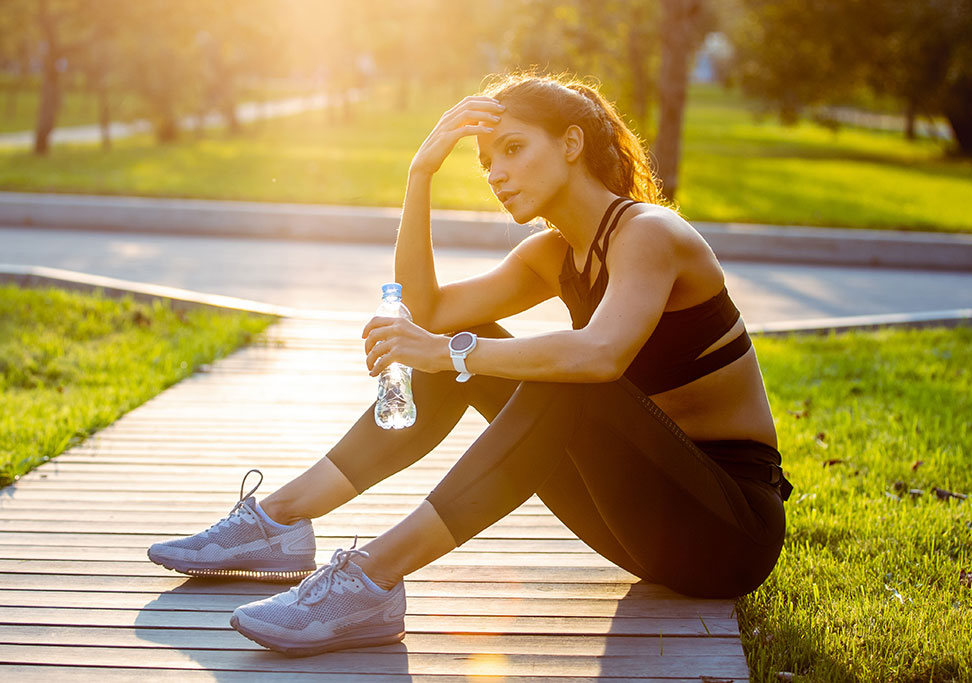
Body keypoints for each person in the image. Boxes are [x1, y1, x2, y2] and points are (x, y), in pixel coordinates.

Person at [147, 73, 792, 657]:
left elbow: (599, 356)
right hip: (644, 530)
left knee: (568, 380)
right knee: (472, 336)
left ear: (571, 144)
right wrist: (419, 175)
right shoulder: (555, 255)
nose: (497, 173)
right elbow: (428, 311)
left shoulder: (649, 233)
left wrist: (444, 349)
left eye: (513, 149)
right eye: (486, 162)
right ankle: (281, 520)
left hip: (730, 532)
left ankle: (372, 574)